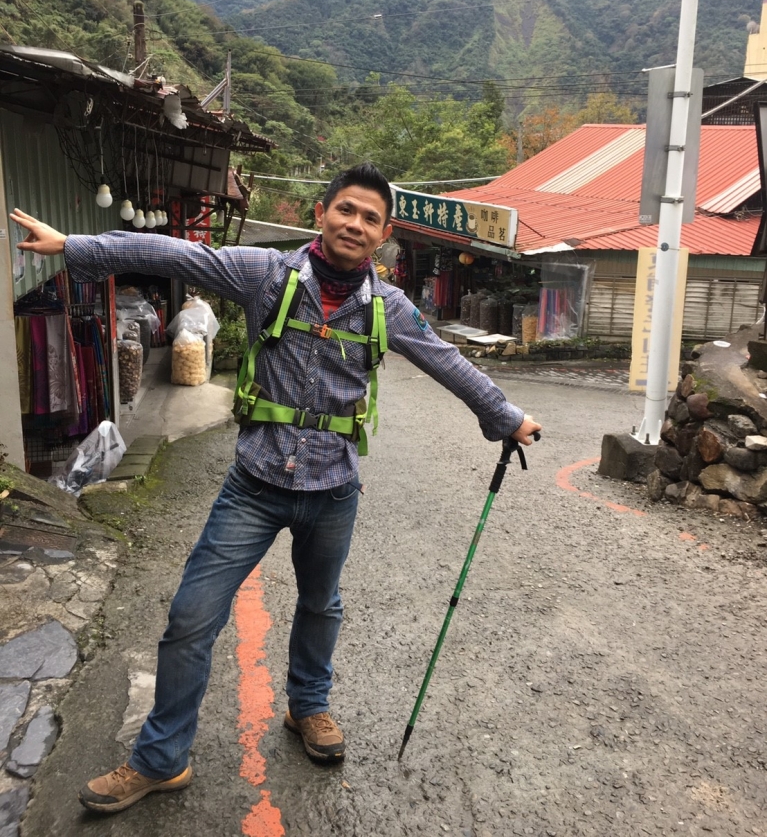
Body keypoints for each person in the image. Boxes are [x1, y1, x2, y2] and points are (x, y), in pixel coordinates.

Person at [11, 161, 541, 815]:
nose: (355, 223)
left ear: (383, 234)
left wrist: (504, 416)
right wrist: (80, 247)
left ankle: (307, 708)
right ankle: (160, 760)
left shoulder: (387, 305)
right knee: (190, 618)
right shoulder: (266, 274)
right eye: (345, 209)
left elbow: (445, 359)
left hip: (334, 489)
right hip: (254, 485)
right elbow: (181, 254)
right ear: (321, 214)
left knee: (321, 606)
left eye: (369, 217)